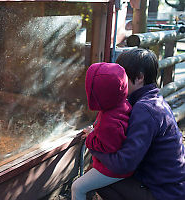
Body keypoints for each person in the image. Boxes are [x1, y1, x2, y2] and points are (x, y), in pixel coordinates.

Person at [88, 48, 185, 200]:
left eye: (122, 75)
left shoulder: (144, 109)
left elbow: (123, 164)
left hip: (164, 193)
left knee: (96, 180)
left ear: (139, 77)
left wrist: (93, 146)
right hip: (169, 186)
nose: (118, 80)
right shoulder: (153, 100)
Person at [71, 62, 133, 200]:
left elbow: (107, 147)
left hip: (113, 169)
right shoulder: (119, 104)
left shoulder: (110, 121)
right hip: (117, 165)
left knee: (77, 187)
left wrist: (90, 137)